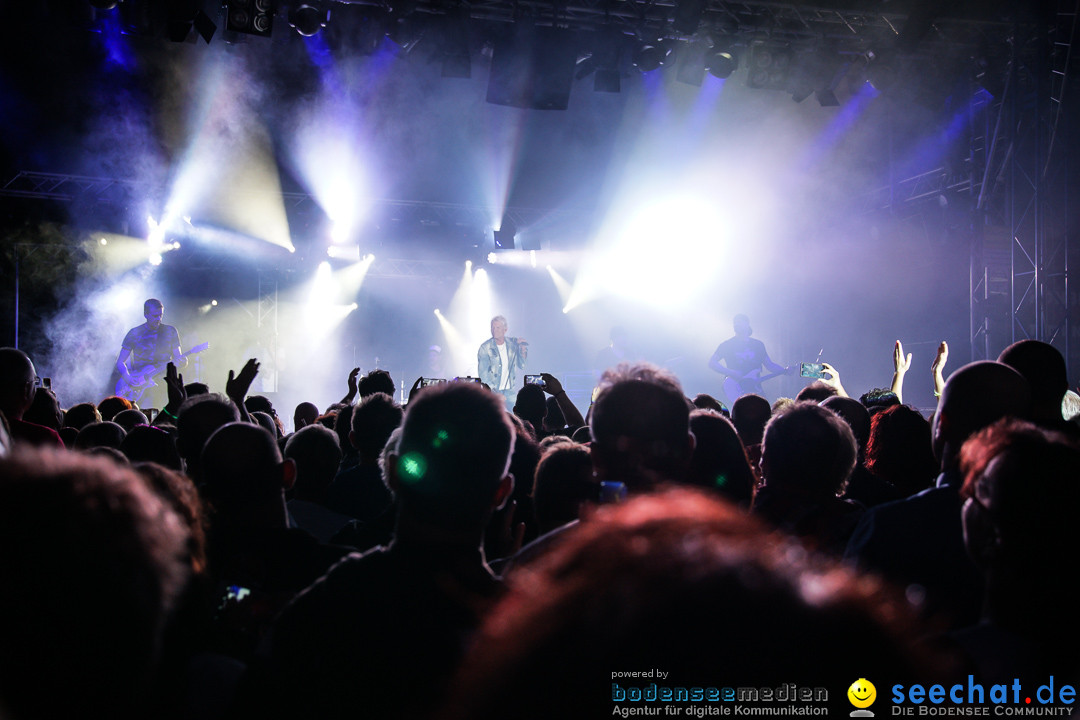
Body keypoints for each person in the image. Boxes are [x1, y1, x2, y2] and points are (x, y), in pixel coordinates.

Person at [115, 299, 186, 408]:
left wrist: (183, 362)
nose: (158, 319)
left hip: (163, 383)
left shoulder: (170, 331)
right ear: (145, 314)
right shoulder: (134, 333)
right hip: (139, 383)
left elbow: (178, 359)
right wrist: (128, 378)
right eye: (155, 316)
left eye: (160, 315)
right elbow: (120, 361)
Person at [708, 314, 789, 403]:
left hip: (755, 387)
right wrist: (731, 372)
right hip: (737, 386)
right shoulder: (727, 345)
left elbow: (770, 365)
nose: (737, 324)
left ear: (747, 324)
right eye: (735, 322)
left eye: (740, 321)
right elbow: (712, 362)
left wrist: (784, 371)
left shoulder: (758, 345)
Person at [477, 315, 528, 405]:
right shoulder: (485, 347)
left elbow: (522, 365)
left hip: (510, 391)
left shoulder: (512, 345)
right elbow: (483, 374)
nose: (494, 330)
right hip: (492, 391)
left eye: (498, 327)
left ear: (505, 330)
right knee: (493, 417)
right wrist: (496, 393)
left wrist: (523, 351)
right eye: (492, 327)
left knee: (518, 415)